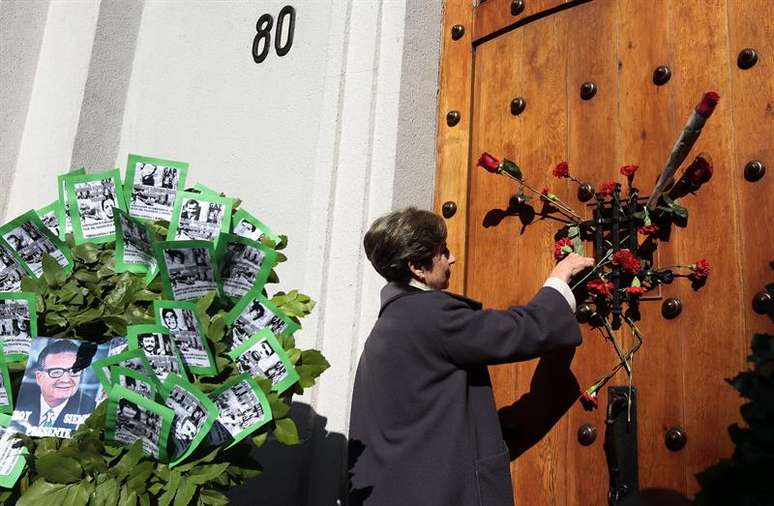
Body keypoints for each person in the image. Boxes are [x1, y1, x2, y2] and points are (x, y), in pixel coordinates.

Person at [348, 207, 594, 506]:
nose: (451, 259)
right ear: (417, 267)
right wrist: (559, 279)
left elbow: (435, 427)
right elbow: (519, 332)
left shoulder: (388, 327)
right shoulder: (427, 314)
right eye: (442, 251)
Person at [12, 340, 96, 432]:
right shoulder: (17, 397)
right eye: (56, 372)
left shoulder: (92, 410)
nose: (66, 380)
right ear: (39, 377)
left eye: (74, 371)